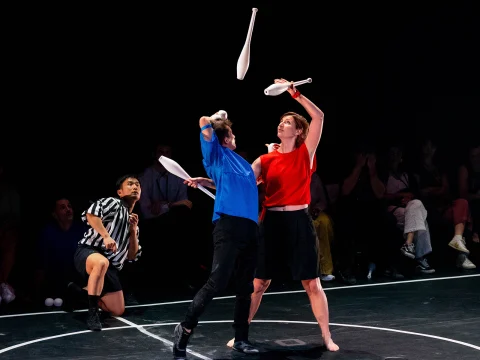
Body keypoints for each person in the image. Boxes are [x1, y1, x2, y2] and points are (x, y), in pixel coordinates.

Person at [248, 78, 339, 351]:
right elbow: (242, 182)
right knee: (259, 283)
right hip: (272, 222)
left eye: (287, 122)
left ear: (299, 130)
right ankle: (242, 332)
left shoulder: (305, 153)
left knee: (311, 282)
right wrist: (206, 181)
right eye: (281, 121)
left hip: (299, 221)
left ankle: (326, 336)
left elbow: (319, 116)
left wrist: (293, 92)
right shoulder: (264, 160)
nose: (281, 124)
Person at [172, 111, 260, 359]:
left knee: (245, 286)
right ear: (224, 139)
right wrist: (217, 117)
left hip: (250, 227)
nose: (235, 136)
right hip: (228, 225)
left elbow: (231, 183)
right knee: (218, 281)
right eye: (231, 133)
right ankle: (185, 327)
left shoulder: (241, 163)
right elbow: (202, 121)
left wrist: (209, 182)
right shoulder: (216, 154)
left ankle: (241, 338)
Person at [66, 174, 142, 331]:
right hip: (88, 252)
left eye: (137, 185)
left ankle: (79, 293)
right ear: (120, 192)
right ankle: (92, 314)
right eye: (130, 184)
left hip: (110, 269)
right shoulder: (113, 202)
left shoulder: (133, 222)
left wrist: (133, 231)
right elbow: (91, 214)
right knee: (102, 262)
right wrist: (106, 236)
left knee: (117, 310)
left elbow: (131, 256)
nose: (135, 187)